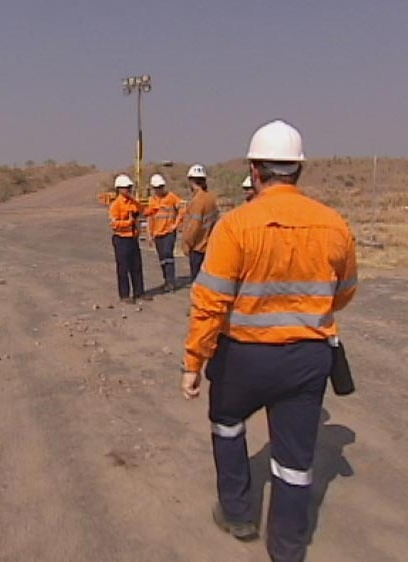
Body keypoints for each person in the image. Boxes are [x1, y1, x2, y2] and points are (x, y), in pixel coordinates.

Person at [180, 120, 357, 561]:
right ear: (298, 170)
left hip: (243, 358)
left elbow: (210, 303)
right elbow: (345, 291)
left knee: (227, 425)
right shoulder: (334, 225)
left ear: (255, 171)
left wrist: (193, 362)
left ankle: (239, 512)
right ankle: (288, 548)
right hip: (307, 359)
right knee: (294, 463)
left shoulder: (237, 226)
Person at [108, 174, 152, 304]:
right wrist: (129, 222)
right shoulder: (116, 205)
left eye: (129, 187)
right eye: (126, 188)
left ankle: (139, 292)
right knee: (123, 268)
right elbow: (114, 224)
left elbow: (143, 211)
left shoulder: (133, 202)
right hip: (121, 240)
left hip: (133, 239)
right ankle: (125, 295)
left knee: (136, 266)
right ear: (119, 189)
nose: (129, 190)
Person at [143, 173, 184, 292]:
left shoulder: (171, 197)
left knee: (168, 255)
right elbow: (149, 218)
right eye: (157, 188)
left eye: (161, 187)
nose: (159, 190)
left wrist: (175, 224)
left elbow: (182, 208)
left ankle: (171, 282)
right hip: (157, 234)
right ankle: (166, 280)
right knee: (162, 258)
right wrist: (149, 234)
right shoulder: (152, 200)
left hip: (168, 233)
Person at [181, 164, 219, 281]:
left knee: (198, 283)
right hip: (209, 247)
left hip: (197, 248)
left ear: (191, 181)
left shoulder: (197, 201)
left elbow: (194, 227)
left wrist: (187, 243)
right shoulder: (211, 198)